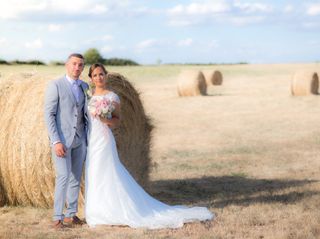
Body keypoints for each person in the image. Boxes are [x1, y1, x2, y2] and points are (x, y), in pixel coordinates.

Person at [85, 63, 214, 229]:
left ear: (106, 75)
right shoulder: (89, 95)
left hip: (104, 138)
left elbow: (117, 120)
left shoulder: (113, 97)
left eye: (101, 74)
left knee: (108, 170)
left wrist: (104, 119)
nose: (98, 78)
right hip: (91, 138)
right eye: (95, 75)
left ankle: (114, 209)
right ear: (91, 78)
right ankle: (96, 210)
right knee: (93, 171)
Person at [44, 53, 89, 229]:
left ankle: (71, 214)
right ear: (66, 65)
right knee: (63, 176)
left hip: (80, 139)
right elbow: (49, 114)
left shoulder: (85, 86)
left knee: (76, 178)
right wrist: (56, 141)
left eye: (80, 65)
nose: (77, 68)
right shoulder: (55, 85)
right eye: (74, 64)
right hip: (62, 141)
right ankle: (57, 217)